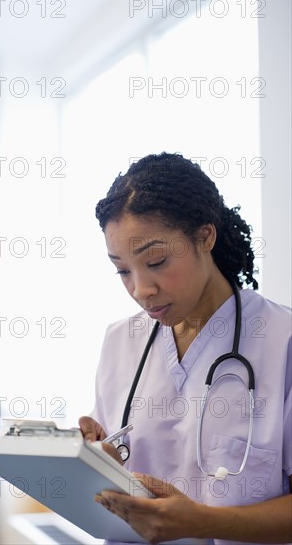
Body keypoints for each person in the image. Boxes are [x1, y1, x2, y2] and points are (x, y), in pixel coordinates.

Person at [78, 152, 292, 545]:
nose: (141, 290)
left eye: (156, 261)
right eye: (123, 270)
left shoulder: (283, 342)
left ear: (204, 237)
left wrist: (202, 522)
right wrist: (92, 461)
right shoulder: (119, 343)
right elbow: (113, 475)